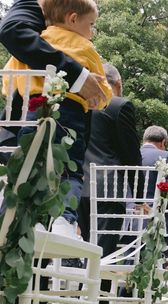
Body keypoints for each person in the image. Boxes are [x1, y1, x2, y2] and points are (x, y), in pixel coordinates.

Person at [3, 0, 112, 236]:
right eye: (91, 25)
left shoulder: (38, 39)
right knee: (68, 172)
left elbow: (8, 81)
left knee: (31, 166)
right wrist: (96, 96)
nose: (92, 32)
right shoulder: (84, 48)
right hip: (69, 117)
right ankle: (64, 221)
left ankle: (32, 219)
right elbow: (102, 92)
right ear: (73, 19)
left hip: (30, 115)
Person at [75, 63, 142, 304]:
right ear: (118, 82)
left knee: (83, 257)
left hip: (79, 188)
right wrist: (138, 196)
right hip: (107, 192)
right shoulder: (119, 106)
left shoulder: (79, 103)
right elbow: (130, 153)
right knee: (103, 260)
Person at [141, 125, 168, 243]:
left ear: (144, 140)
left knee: (129, 260)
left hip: (129, 220)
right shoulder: (165, 156)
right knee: (159, 259)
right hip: (156, 221)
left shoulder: (129, 155)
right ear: (163, 142)